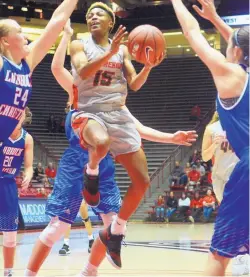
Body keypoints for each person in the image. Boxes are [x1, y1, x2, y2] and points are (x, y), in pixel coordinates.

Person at [22, 20, 198, 277]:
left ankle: (89, 272)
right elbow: (57, 67)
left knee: (112, 226)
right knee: (58, 226)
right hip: (76, 163)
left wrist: (172, 138)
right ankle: (28, 274)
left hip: (103, 165)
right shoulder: (77, 90)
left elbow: (136, 127)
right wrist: (67, 36)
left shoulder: (112, 104)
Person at [163, 0, 249, 276]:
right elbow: (241, 44)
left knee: (220, 251)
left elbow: (193, 36)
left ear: (236, 52)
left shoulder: (233, 76)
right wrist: (216, 18)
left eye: (230, 46)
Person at [0, 0, 92, 145]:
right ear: (5, 41)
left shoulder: (26, 63)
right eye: (19, 32)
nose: (26, 37)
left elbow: (56, 21)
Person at [202, 111, 249, 275]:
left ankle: (240, 257)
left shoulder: (244, 125)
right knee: (235, 219)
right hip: (222, 180)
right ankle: (239, 258)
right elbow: (205, 156)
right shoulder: (212, 129)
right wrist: (214, 144)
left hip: (242, 176)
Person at [0, 111, 34, 277]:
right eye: (15, 114)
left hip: (8, 186)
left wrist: (28, 174)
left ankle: (8, 272)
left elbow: (28, 166)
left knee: (11, 235)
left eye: (20, 115)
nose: (17, 118)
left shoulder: (27, 139)